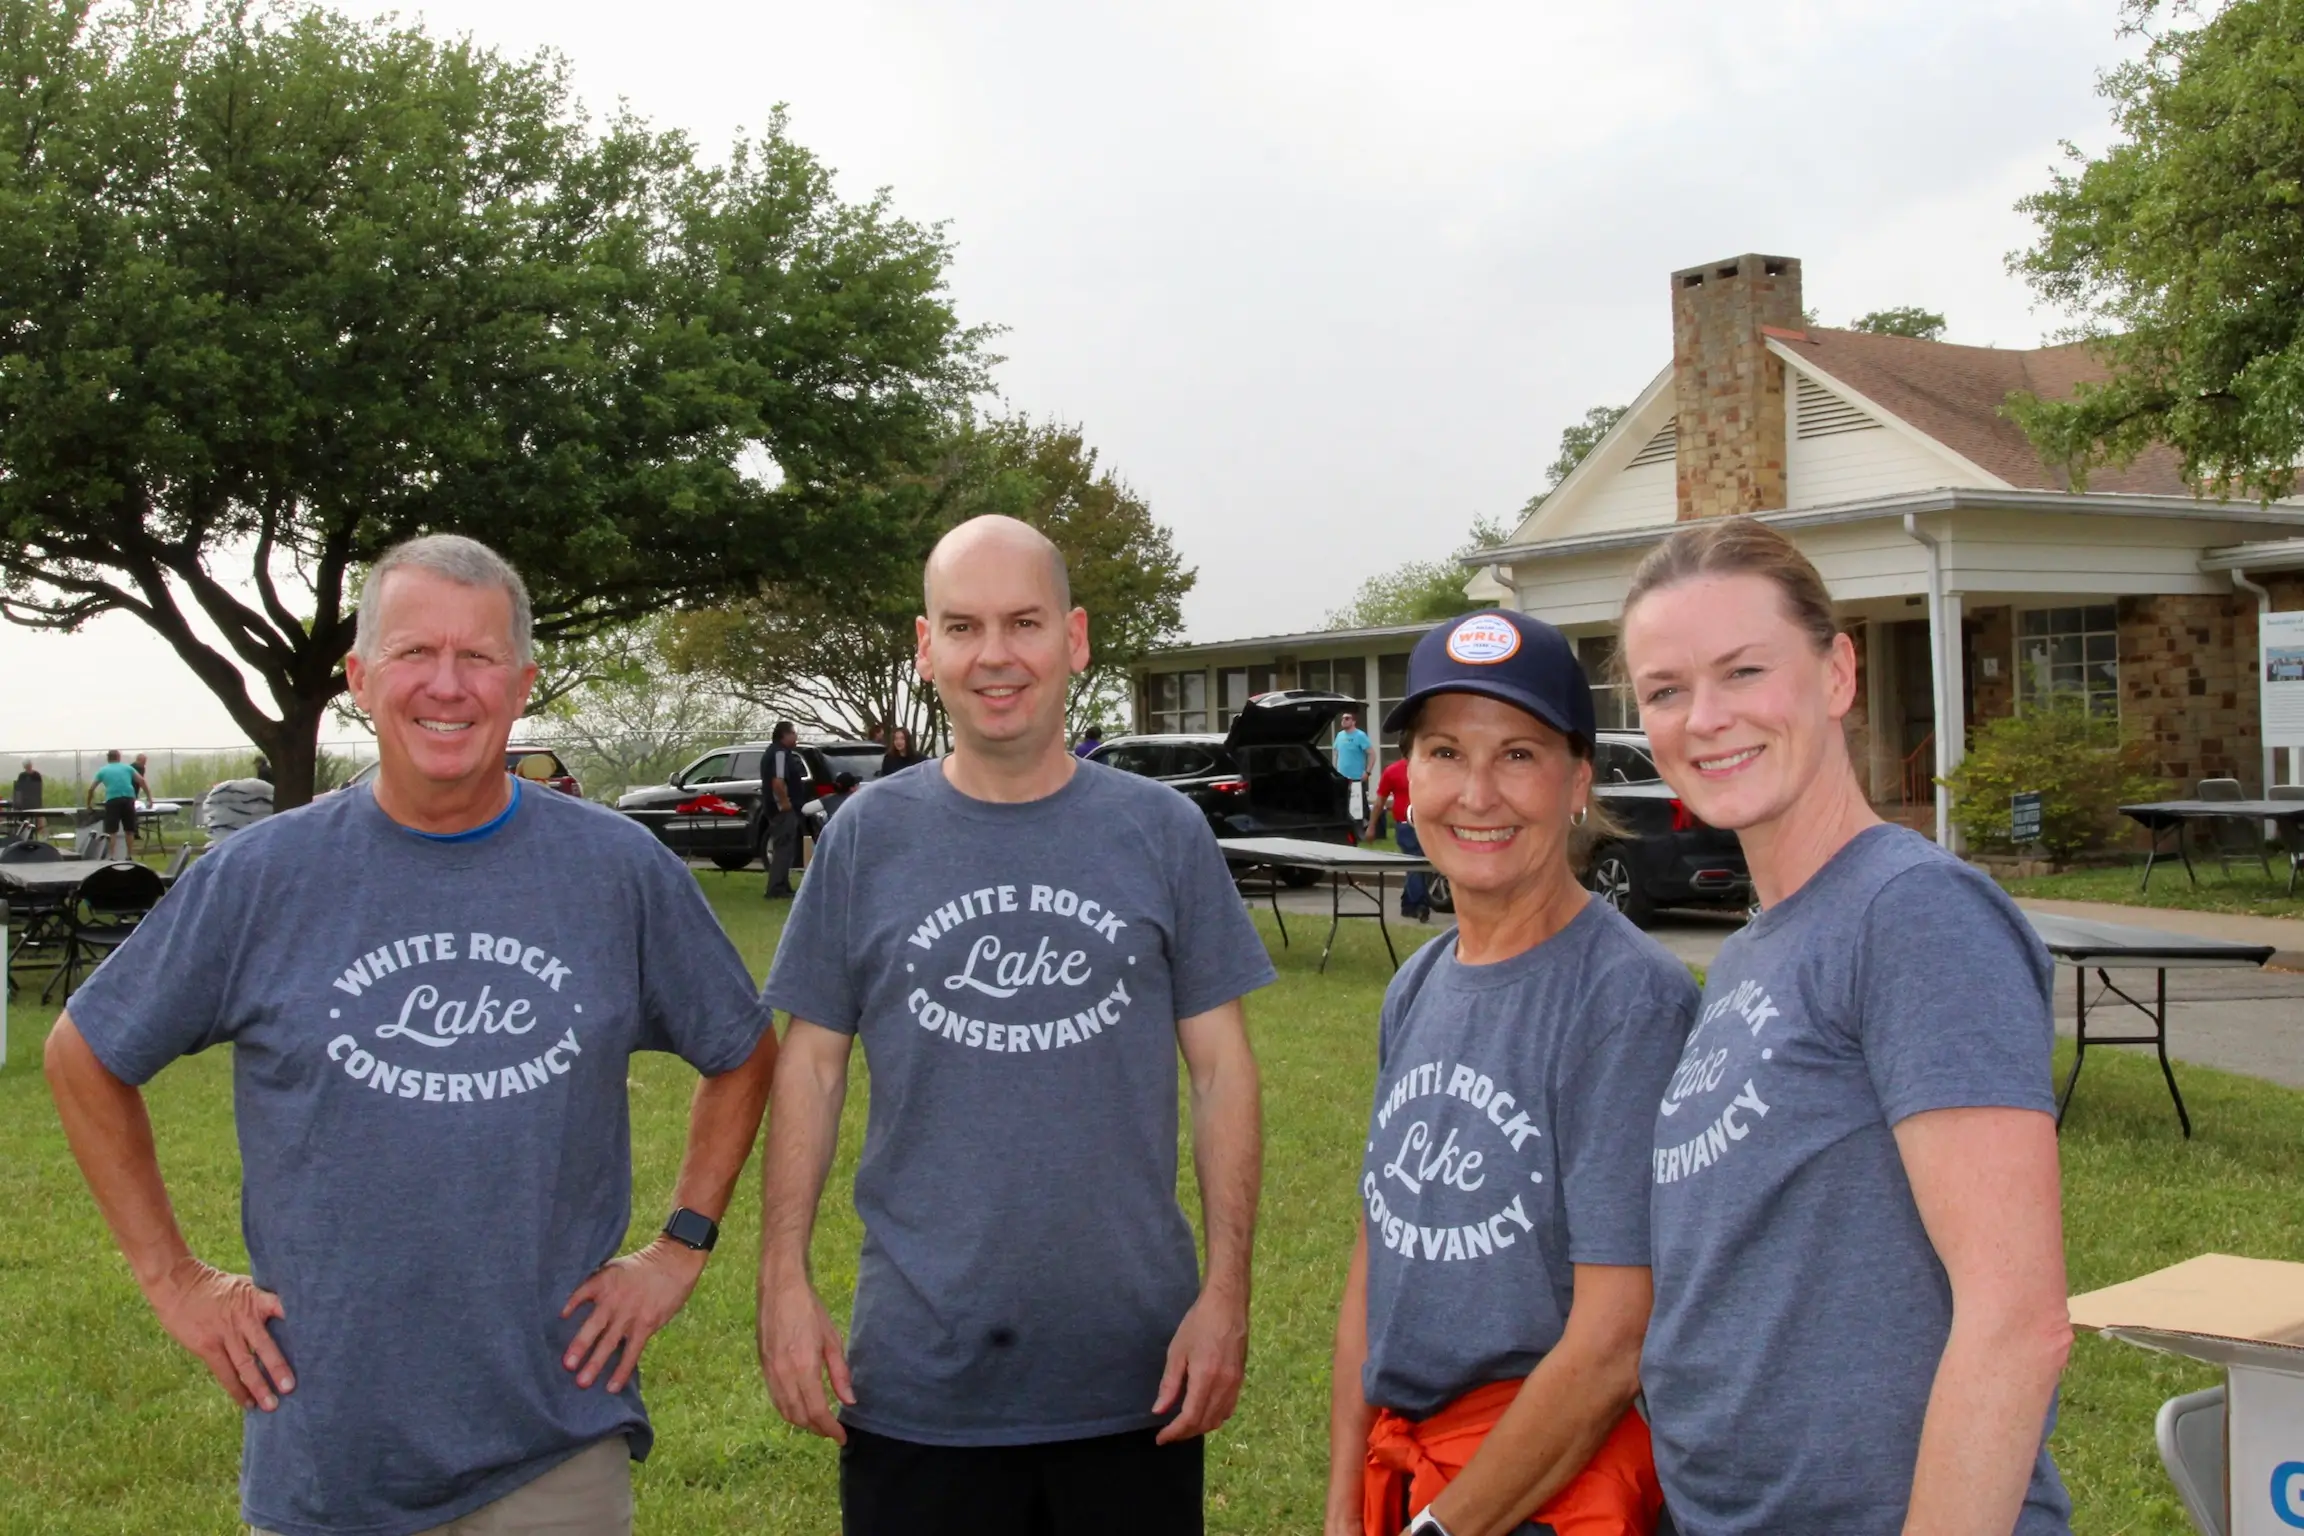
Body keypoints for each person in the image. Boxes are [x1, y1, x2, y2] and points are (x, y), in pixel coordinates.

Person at [43, 534, 779, 1536]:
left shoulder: (618, 871)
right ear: (357, 678)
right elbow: (85, 1053)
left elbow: (740, 1048)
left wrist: (679, 1245)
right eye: (414, 653)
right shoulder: (261, 879)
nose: (449, 686)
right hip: (328, 1453)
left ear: (521, 683)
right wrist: (172, 1280)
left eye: (479, 657)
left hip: (553, 1439)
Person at [758, 514, 1274, 1536]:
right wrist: (782, 1280)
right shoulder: (866, 836)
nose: (995, 656)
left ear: (1074, 639)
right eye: (963, 627)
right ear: (927, 648)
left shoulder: (1159, 831)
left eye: (1024, 622)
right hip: (918, 1378)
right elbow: (810, 1069)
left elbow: (1223, 1073)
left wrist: (1225, 1296)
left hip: (1135, 1372)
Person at [1616, 517, 2072, 1536]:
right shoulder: (1758, 945)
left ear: (1836, 674)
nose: (1705, 718)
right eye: (1666, 690)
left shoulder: (1913, 914)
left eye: (1743, 671)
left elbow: (2017, 1321)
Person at [1324, 610, 1692, 1536]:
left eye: (1518, 755)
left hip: (1539, 1493)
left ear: (1577, 781)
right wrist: (1342, 1507)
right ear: (1411, 780)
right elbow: (1376, 1269)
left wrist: (1446, 1529)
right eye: (1446, 753)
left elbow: (1615, 1337)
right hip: (1410, 1480)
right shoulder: (1417, 986)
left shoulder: (1624, 1000)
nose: (1476, 793)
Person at [1365, 755, 1428, 921]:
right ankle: (1420, 903)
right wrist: (1372, 826)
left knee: (1416, 863)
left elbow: (1380, 803)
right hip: (1407, 825)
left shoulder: (1426, 768)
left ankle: (1408, 903)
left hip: (1425, 823)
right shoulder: (1394, 771)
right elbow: (1380, 802)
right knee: (1416, 862)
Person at [763, 721, 808, 899]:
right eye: (794, 733)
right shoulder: (779, 754)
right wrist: (784, 803)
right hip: (782, 809)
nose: (796, 737)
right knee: (783, 847)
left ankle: (783, 884)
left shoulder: (779, 752)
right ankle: (776, 888)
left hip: (779, 808)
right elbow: (778, 781)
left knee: (787, 847)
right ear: (785, 735)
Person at [86, 749, 142, 859]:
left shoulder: (103, 770)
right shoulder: (127, 768)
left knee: (112, 831)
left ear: (108, 758)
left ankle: (112, 856)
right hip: (128, 799)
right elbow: (142, 781)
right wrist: (149, 798)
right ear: (119, 757)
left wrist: (88, 804)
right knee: (129, 830)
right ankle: (129, 855)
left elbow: (91, 789)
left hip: (113, 799)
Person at [1333, 712, 1374, 821]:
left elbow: (1371, 754)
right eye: (1342, 718)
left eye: (1347, 718)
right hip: (1342, 777)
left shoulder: (1360, 736)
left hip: (1357, 777)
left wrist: (1368, 771)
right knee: (1343, 804)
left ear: (1354, 721)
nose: (1344, 720)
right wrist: (1334, 771)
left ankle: (1368, 826)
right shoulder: (1340, 735)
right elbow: (1336, 753)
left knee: (1360, 805)